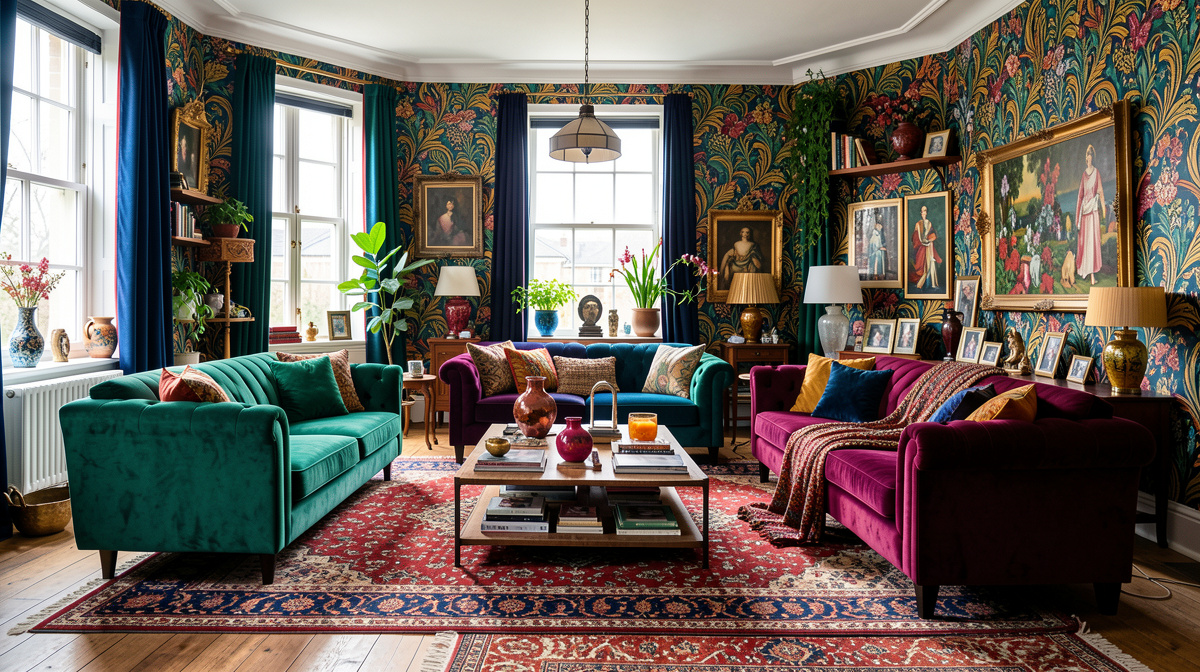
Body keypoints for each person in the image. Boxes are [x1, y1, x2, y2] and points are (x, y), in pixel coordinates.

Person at [1075, 144, 1106, 284]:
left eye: (1091, 156)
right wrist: (1077, 218)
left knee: (1092, 242)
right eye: (1087, 156)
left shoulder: (1096, 172)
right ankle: (1085, 271)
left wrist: (1103, 210)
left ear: (1092, 158)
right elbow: (1080, 197)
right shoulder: (1083, 175)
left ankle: (1092, 275)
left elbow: (1100, 191)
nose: (1089, 159)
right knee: (1085, 242)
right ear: (1085, 159)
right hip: (1085, 213)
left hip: (1093, 211)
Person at [910, 205, 942, 291]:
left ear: (926, 212)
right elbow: (915, 238)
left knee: (930, 263)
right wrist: (922, 241)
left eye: (925, 211)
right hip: (921, 247)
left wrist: (929, 239)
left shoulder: (929, 223)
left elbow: (932, 235)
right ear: (921, 213)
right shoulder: (918, 224)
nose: (924, 213)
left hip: (928, 247)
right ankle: (923, 283)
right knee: (922, 264)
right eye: (922, 211)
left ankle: (930, 283)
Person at [867, 213, 887, 279]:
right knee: (876, 269)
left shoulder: (878, 235)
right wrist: (881, 248)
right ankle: (876, 277)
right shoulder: (875, 236)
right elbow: (875, 247)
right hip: (875, 256)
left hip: (879, 254)